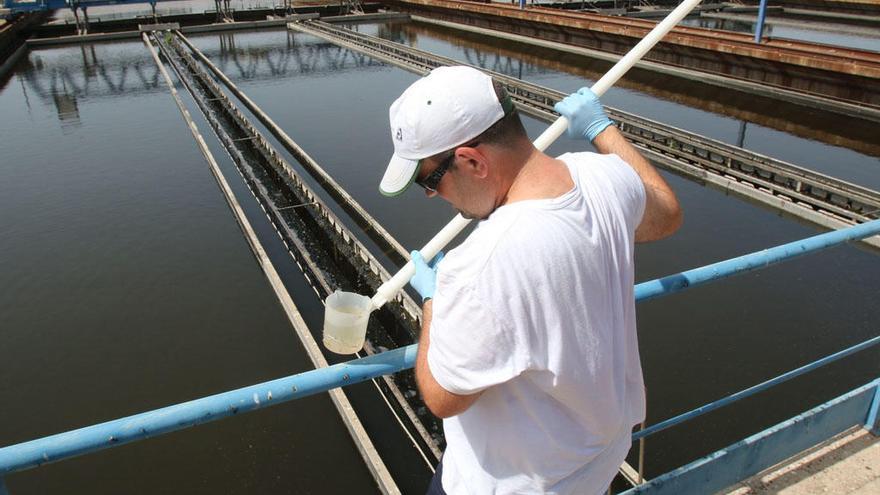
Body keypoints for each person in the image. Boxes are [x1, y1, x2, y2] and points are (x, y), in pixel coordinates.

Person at [379, 66, 682, 494]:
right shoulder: (603, 177)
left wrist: (434, 303)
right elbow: (666, 213)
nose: (432, 195)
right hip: (595, 467)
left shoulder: (481, 266)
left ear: (471, 161)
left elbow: (443, 396)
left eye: (430, 180)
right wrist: (602, 129)